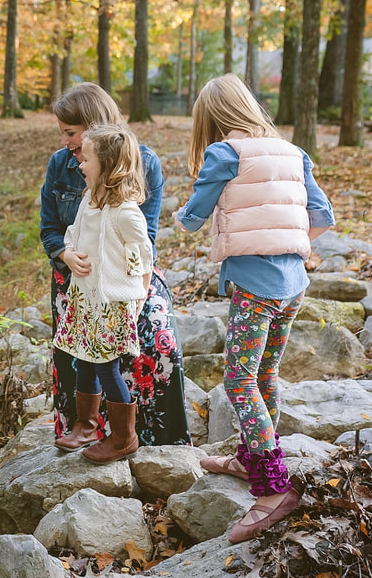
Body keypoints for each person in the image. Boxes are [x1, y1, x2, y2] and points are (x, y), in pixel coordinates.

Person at [174, 74, 335, 542]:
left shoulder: (224, 153)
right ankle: (250, 457)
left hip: (253, 284)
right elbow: (322, 215)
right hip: (294, 284)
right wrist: (289, 246)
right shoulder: (291, 150)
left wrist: (180, 218)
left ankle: (273, 489)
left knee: (239, 379)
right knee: (266, 374)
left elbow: (193, 215)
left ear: (211, 119)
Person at [40, 82, 190, 451]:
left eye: (70, 133)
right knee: (78, 351)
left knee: (158, 341)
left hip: (127, 277)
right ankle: (85, 426)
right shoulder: (63, 164)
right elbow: (52, 228)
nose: (65, 143)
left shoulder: (143, 161)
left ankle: (156, 440)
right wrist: (64, 254)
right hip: (77, 278)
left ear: (92, 128)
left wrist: (137, 291)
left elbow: (144, 240)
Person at [52, 124, 154, 463]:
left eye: (88, 158)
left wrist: (135, 301)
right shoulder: (89, 200)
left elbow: (143, 260)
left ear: (107, 166)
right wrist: (69, 253)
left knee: (107, 366)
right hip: (85, 299)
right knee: (83, 358)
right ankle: (86, 424)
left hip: (111, 303)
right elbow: (72, 234)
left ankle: (124, 437)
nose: (80, 163)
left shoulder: (126, 214)